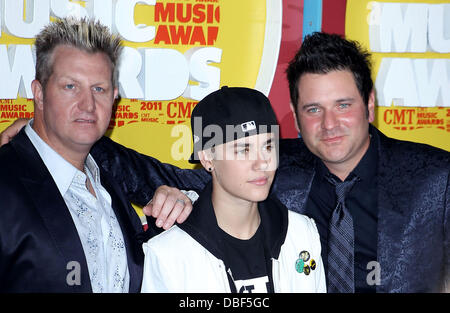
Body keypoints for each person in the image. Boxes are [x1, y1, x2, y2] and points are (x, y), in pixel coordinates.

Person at [2, 33, 449, 293]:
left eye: (344, 104)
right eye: (313, 109)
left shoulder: (435, 178)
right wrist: (45, 129)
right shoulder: (284, 166)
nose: (329, 124)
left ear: (370, 104)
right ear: (295, 117)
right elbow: (171, 176)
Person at [0, 17, 192, 292]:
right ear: (39, 94)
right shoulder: (5, 182)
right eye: (70, 86)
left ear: (114, 97)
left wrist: (166, 217)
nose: (87, 104)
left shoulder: (109, 185)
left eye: (98, 89)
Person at [141, 86, 325, 292]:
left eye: (268, 146)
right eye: (244, 149)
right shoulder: (169, 255)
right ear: (207, 157)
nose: (262, 162)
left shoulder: (302, 233)